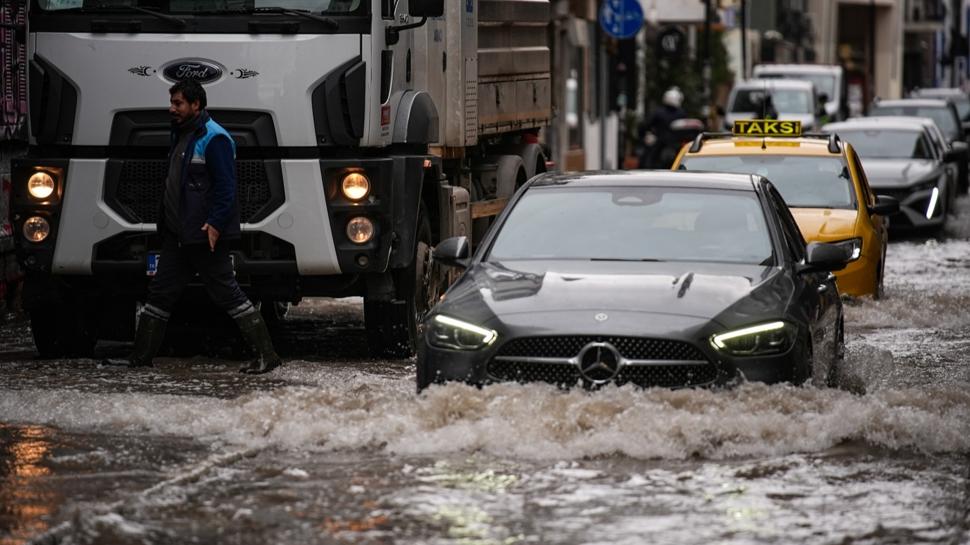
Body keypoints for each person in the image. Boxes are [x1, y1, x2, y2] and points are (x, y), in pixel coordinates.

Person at [104, 79, 281, 374]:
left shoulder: (215, 138)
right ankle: (140, 358)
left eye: (178, 103)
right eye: (172, 102)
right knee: (160, 294)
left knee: (227, 294)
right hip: (179, 235)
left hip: (204, 235)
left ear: (196, 104)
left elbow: (226, 188)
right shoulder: (182, 133)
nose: (172, 109)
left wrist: (214, 225)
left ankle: (267, 355)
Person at [638, 87, 687, 169]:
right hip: (675, 145)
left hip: (661, 144)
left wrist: (643, 135)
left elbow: (646, 125)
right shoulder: (682, 113)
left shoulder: (659, 112)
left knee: (648, 160)